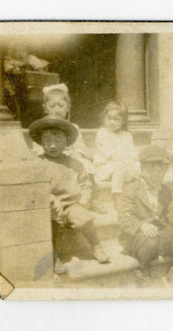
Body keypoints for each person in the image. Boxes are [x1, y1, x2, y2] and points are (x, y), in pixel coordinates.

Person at [28, 116, 111, 272]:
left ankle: (96, 246)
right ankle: (53, 256)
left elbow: (85, 183)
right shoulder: (37, 163)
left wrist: (84, 197)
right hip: (49, 206)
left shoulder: (75, 164)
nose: (52, 145)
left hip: (72, 205)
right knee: (48, 223)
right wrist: (51, 199)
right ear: (40, 142)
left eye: (58, 140)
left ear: (66, 142)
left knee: (84, 218)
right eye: (47, 140)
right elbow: (34, 187)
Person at [116, 145, 173, 285]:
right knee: (149, 239)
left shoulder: (166, 190)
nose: (156, 173)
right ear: (142, 169)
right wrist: (141, 225)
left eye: (161, 169)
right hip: (136, 235)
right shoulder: (131, 190)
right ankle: (143, 270)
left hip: (158, 231)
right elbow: (124, 216)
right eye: (151, 168)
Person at [32, 83, 107, 214]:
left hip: (69, 159)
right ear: (45, 108)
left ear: (68, 108)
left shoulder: (73, 128)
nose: (57, 109)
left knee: (85, 165)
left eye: (61, 105)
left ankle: (92, 199)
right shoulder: (42, 128)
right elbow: (37, 149)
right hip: (50, 158)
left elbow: (80, 148)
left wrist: (75, 153)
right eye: (52, 106)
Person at [93, 101, 140, 208]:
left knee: (138, 167)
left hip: (122, 167)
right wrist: (125, 160)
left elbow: (132, 153)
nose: (112, 122)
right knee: (118, 166)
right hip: (103, 169)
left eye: (116, 119)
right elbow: (109, 154)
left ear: (123, 121)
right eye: (109, 118)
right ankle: (117, 196)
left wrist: (132, 161)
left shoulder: (126, 135)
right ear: (103, 118)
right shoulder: (102, 133)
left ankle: (138, 196)